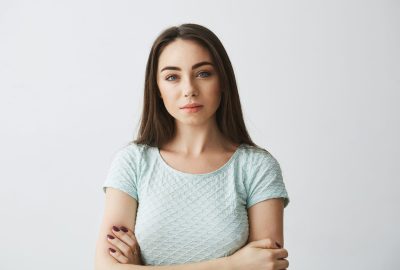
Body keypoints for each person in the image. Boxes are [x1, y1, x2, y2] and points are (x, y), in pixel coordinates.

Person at [94, 23, 290, 270]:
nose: (189, 90)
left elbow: (266, 265)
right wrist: (234, 265)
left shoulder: (257, 167)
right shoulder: (133, 162)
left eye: (203, 73)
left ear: (223, 81)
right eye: (172, 77)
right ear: (157, 89)